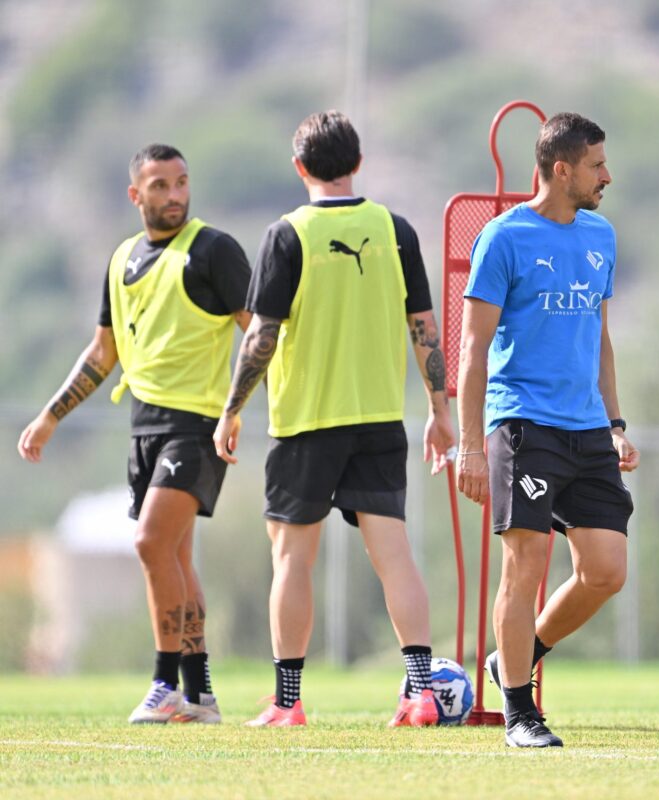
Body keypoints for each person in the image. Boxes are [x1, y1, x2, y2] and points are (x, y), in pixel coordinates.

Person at [212, 110, 455, 728]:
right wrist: (439, 410)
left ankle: (288, 702)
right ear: (358, 163)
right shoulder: (394, 228)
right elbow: (423, 326)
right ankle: (421, 692)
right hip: (378, 418)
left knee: (292, 559)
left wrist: (232, 409)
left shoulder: (286, 235)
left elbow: (262, 334)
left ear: (299, 167)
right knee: (394, 556)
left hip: (305, 422)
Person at [18, 144, 250, 724]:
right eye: (160, 185)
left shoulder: (214, 250)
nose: (174, 195)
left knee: (149, 544)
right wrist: (49, 417)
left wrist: (235, 406)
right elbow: (103, 352)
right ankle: (200, 696)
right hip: (144, 429)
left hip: (196, 426)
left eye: (181, 183)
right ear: (135, 194)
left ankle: (164, 682)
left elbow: (261, 332)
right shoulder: (122, 259)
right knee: (174, 556)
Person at [456, 112, 639, 748]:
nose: (606, 176)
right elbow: (473, 351)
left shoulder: (601, 235)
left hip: (587, 428)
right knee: (525, 562)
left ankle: (519, 652)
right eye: (596, 165)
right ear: (561, 169)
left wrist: (615, 423)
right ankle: (518, 714)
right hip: (522, 422)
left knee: (606, 570)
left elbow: (602, 339)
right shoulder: (503, 238)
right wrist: (470, 447)